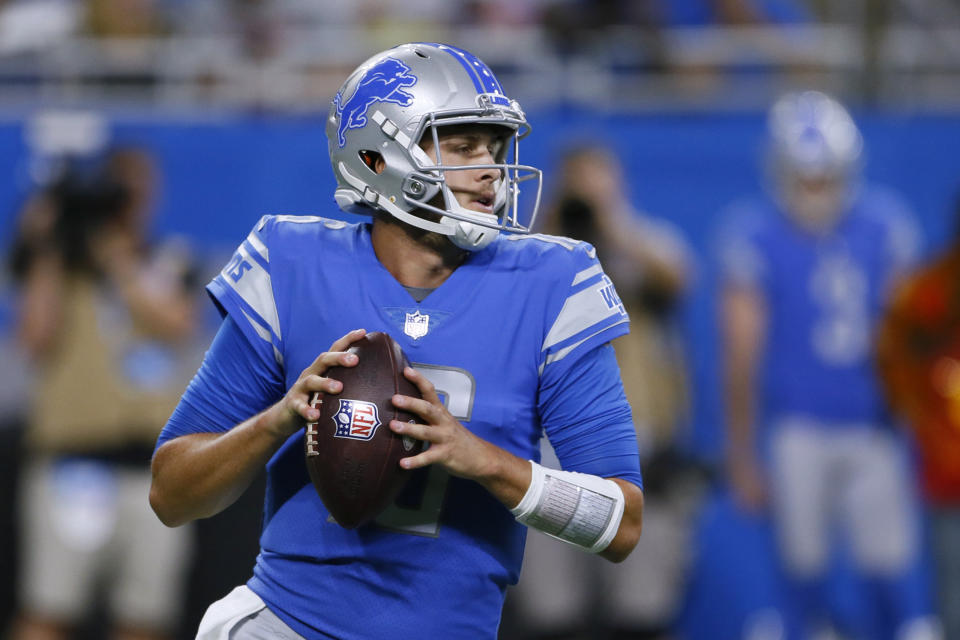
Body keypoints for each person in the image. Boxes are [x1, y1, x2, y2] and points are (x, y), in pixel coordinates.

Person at [148, 42, 645, 640]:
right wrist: (277, 420)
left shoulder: (550, 282)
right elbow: (171, 495)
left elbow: (621, 526)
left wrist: (486, 461)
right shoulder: (293, 264)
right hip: (288, 625)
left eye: (494, 147)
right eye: (462, 147)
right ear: (379, 158)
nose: (490, 169)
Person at [718, 90, 939, 639]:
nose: (816, 191)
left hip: (871, 424)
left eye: (825, 178)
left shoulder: (883, 225)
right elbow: (741, 352)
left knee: (883, 566)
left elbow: (909, 338)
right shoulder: (758, 233)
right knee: (806, 569)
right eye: (806, 178)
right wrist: (743, 448)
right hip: (805, 423)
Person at [508, 143, 697, 640]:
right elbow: (497, 293)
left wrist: (610, 229)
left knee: (640, 613)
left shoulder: (646, 244)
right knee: (552, 615)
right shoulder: (534, 252)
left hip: (637, 455)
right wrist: (552, 227)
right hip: (547, 456)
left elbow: (675, 280)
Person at [10, 147, 199, 640]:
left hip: (152, 469)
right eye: (120, 190)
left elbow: (176, 324)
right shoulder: (64, 266)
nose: (130, 202)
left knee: (144, 619)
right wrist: (48, 246)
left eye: (139, 190)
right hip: (73, 462)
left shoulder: (168, 259)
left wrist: (116, 256)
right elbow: (33, 339)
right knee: (48, 608)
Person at [876, 193, 960, 640]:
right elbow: (893, 351)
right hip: (951, 474)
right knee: (954, 601)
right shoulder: (932, 289)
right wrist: (914, 414)